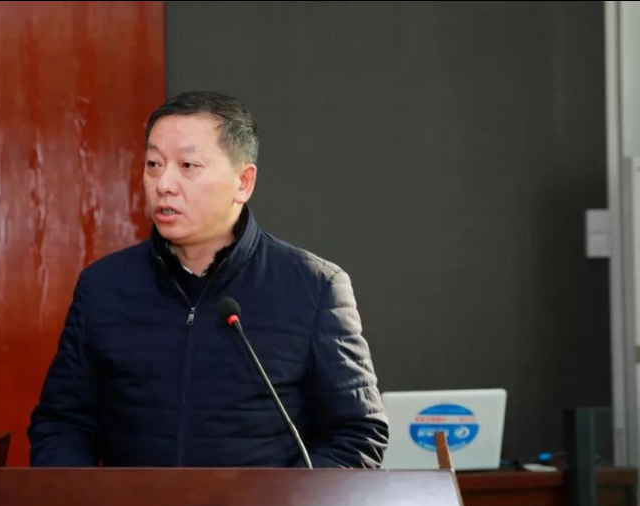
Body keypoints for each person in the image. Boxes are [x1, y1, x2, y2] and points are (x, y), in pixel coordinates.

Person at [27, 91, 388, 468]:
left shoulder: (313, 288)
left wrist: (287, 501)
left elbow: (356, 434)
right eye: (153, 164)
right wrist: (86, 500)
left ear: (243, 182)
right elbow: (61, 424)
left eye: (188, 165)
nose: (163, 183)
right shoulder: (103, 288)